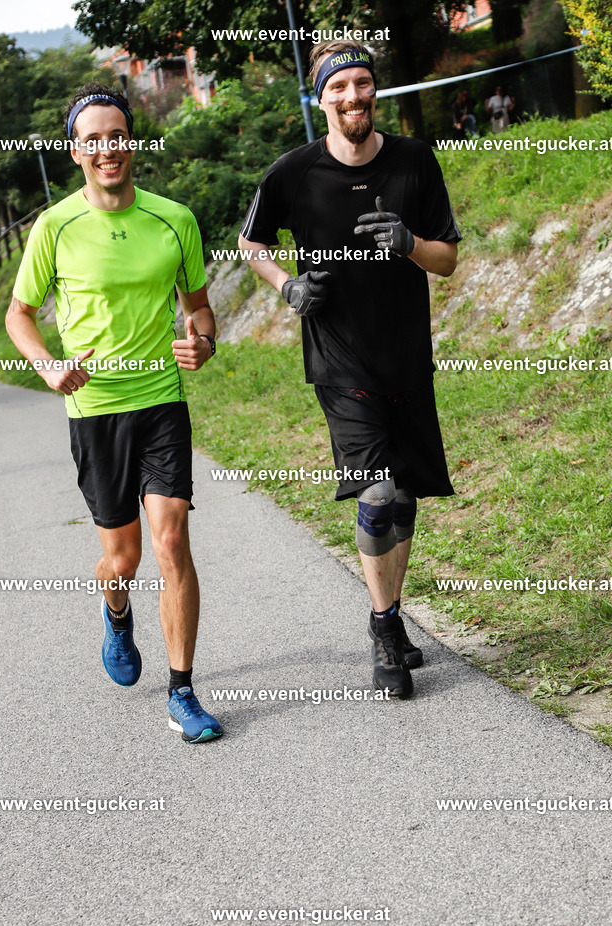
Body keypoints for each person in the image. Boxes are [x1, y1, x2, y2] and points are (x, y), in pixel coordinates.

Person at [238, 41, 461, 700]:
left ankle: (389, 610)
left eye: (362, 84)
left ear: (374, 91)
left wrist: (410, 243)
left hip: (406, 358)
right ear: (320, 98)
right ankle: (385, 626)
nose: (353, 97)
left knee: (406, 494)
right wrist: (286, 288)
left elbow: (447, 259)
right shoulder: (293, 173)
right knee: (377, 490)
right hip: (338, 360)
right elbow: (249, 244)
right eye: (339, 88)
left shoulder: (416, 161)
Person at [5, 83, 223, 744]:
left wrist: (203, 341)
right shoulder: (55, 227)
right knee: (121, 561)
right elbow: (19, 314)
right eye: (94, 138)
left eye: (118, 135)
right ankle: (116, 611)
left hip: (160, 400)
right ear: (77, 150)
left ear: (132, 143)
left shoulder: (174, 219)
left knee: (171, 540)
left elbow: (200, 307)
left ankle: (182, 691)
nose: (108, 148)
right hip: (95, 410)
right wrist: (47, 365)